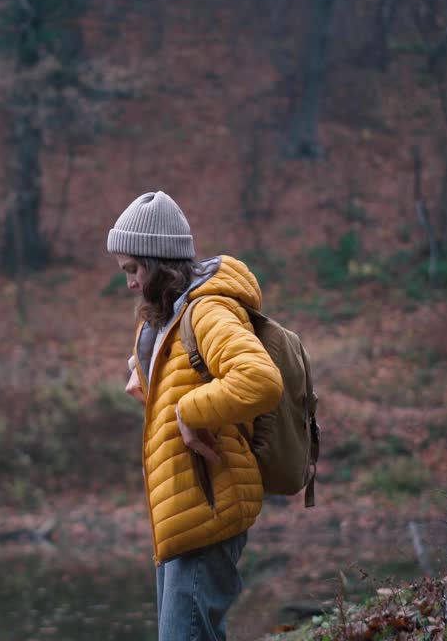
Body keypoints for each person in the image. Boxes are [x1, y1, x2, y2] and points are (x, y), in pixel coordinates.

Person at [108, 190, 284, 641]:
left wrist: (188, 409)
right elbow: (194, 378)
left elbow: (259, 379)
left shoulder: (207, 310)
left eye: (133, 269)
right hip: (185, 512)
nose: (128, 282)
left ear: (159, 262)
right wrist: (148, 377)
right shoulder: (169, 320)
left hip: (208, 507)